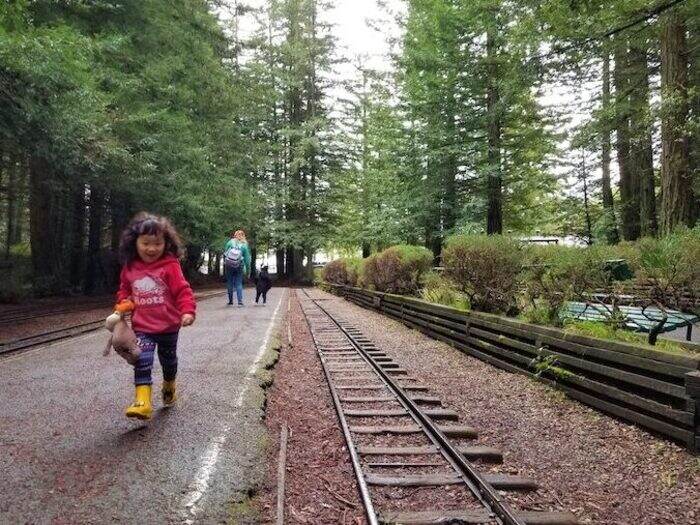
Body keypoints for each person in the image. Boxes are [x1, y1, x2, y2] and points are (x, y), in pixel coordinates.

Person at [115, 212, 196, 420]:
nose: (151, 249)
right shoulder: (130, 267)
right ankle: (142, 401)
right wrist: (123, 302)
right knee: (142, 359)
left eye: (157, 243)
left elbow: (182, 291)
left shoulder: (170, 265)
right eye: (146, 243)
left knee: (169, 361)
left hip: (169, 326)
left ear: (165, 243)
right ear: (135, 243)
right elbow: (124, 289)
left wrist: (187, 311)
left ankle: (169, 384)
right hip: (143, 327)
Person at [223, 229, 251, 306]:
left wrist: (226, 263)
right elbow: (247, 260)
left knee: (229, 282)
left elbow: (225, 254)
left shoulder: (229, 242)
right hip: (239, 265)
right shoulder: (244, 245)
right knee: (238, 283)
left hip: (229, 265)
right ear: (243, 236)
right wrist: (248, 271)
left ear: (235, 235)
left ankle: (230, 301)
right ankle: (240, 302)